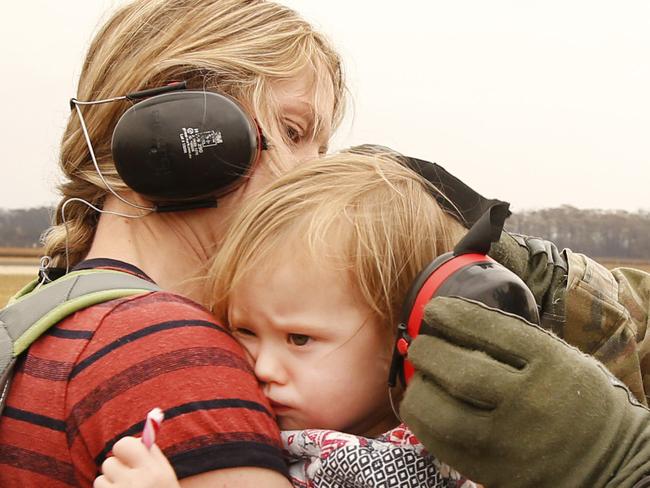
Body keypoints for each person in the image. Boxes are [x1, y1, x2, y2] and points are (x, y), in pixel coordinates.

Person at [0, 0, 345, 486]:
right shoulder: (168, 353)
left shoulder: (47, 312)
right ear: (184, 132)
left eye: (321, 148)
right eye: (293, 132)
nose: (318, 174)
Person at [92, 151, 480, 488]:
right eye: (244, 330)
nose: (263, 367)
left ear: (405, 343)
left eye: (298, 339)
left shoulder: (397, 469)